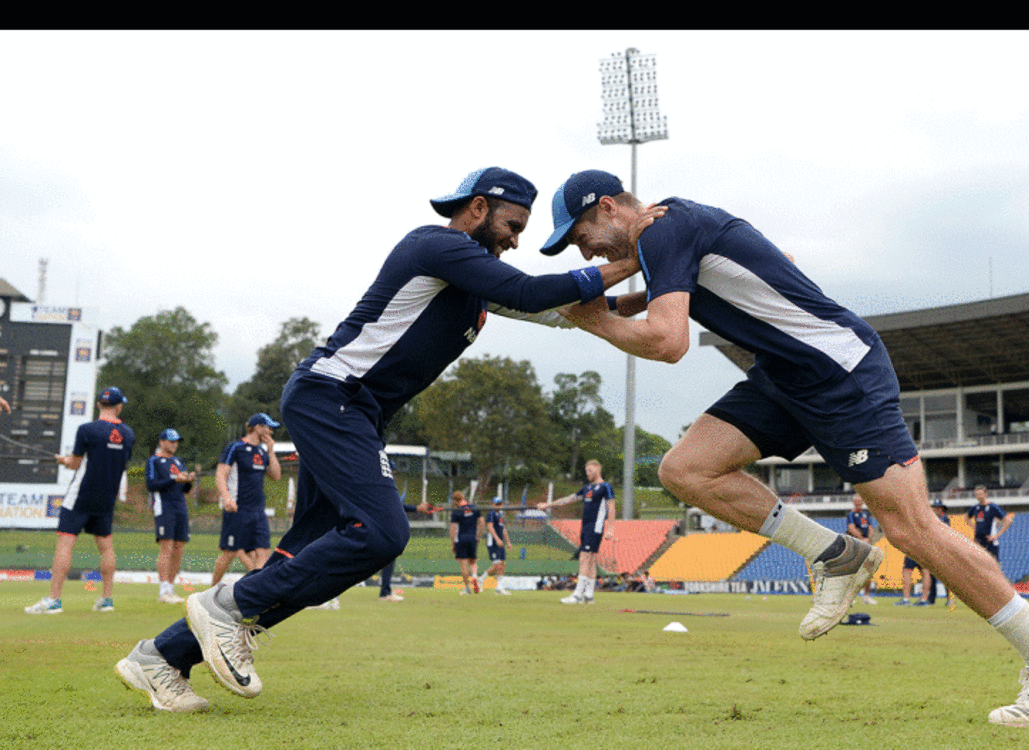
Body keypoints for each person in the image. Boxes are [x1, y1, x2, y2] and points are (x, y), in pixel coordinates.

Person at [543, 169, 1029, 729]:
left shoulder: (663, 231)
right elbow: (771, 256)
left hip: (839, 373)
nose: (581, 248)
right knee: (687, 470)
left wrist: (594, 320)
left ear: (611, 208)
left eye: (580, 233)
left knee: (912, 530)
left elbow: (668, 342)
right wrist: (628, 297)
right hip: (786, 377)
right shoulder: (671, 230)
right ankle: (837, 554)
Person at [115, 166, 644, 712]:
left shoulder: (474, 283)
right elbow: (531, 291)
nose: (516, 239)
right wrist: (631, 257)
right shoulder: (437, 244)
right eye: (513, 224)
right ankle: (229, 607)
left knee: (306, 552)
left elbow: (564, 312)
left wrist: (659, 288)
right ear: (480, 207)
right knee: (383, 533)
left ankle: (161, 656)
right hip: (333, 396)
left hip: (351, 412)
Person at [26, 386, 134, 615]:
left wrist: (64, 460)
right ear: (119, 406)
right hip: (106, 499)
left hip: (81, 495)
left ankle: (54, 601)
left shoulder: (87, 430)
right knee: (106, 547)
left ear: (98, 405)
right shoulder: (128, 434)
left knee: (65, 543)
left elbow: (75, 464)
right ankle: (106, 599)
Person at [210, 413, 282, 586]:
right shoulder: (235, 448)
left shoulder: (262, 452)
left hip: (258, 511)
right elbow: (220, 474)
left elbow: (276, 475)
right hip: (237, 509)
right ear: (258, 428)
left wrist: (271, 450)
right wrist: (226, 498)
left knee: (263, 552)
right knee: (229, 553)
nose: (271, 431)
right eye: (268, 427)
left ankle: (255, 592)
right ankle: (210, 592)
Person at [537, 458, 615, 604]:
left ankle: (577, 594)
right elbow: (570, 498)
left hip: (595, 527)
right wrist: (549, 504)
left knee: (584, 558)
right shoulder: (587, 488)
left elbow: (611, 507)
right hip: (585, 526)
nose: (588, 473)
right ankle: (589, 595)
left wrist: (611, 527)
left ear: (598, 469)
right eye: (586, 471)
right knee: (590, 560)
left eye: (590, 471)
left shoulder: (606, 487)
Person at [146, 428, 197, 604]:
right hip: (164, 507)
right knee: (166, 546)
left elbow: (185, 490)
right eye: (171, 441)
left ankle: (171, 587)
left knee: (179, 547)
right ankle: (163, 589)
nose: (174, 444)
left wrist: (189, 481)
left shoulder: (179, 461)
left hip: (180, 507)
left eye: (176, 441)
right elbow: (151, 485)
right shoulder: (154, 461)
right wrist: (174, 479)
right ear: (162, 442)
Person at [965, 485, 1013, 561]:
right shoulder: (975, 508)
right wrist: (974, 528)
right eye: (977, 494)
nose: (979, 496)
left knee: (993, 566)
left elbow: (1008, 520)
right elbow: (967, 518)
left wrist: (997, 535)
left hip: (990, 542)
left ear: (986, 494)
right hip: (978, 542)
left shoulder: (993, 507)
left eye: (981, 494)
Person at [477, 495, 513, 595]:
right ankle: (481, 580)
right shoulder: (491, 514)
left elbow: (503, 529)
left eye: (500, 504)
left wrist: (508, 542)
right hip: (492, 542)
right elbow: (489, 527)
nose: (498, 506)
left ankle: (499, 588)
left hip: (500, 542)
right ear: (493, 504)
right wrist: (497, 539)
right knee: (497, 565)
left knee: (502, 565)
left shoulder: (501, 516)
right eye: (496, 504)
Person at [845, 495, 878, 605]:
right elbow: (851, 528)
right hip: (856, 544)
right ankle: (849, 597)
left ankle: (866, 596)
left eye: (860, 501)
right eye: (857, 501)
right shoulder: (851, 514)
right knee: (853, 570)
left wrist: (868, 538)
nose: (859, 503)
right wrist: (861, 539)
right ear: (854, 502)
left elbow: (870, 527)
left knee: (868, 569)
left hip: (866, 544)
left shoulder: (865, 514)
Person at [450, 491, 481, 595]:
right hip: (473, 538)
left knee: (464, 565)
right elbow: (481, 521)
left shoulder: (456, 511)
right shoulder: (473, 507)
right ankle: (475, 577)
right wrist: (478, 536)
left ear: (455, 500)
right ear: (463, 497)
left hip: (461, 539)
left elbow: (453, 528)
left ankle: (467, 588)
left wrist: (452, 543)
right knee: (473, 562)